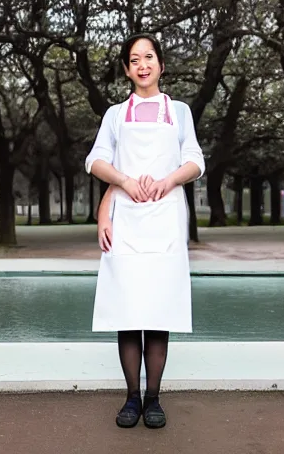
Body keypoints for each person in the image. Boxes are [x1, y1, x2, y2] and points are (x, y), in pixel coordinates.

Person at [85, 33, 205, 429]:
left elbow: (194, 161)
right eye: (134, 59)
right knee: (127, 309)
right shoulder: (116, 115)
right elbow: (97, 161)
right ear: (126, 69)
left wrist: (169, 181)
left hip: (166, 219)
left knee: (158, 310)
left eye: (149, 56)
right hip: (126, 221)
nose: (142, 64)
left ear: (161, 64)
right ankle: (131, 398)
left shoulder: (180, 112)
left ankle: (154, 398)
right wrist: (123, 184)